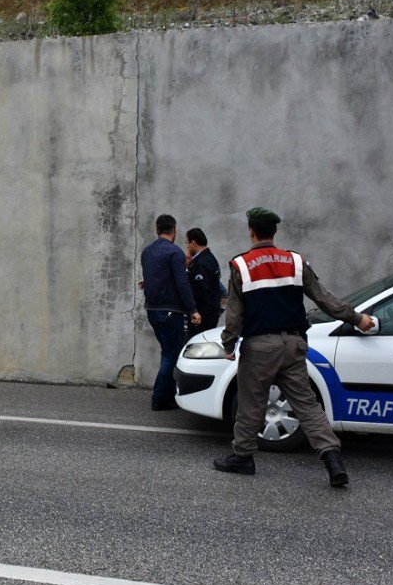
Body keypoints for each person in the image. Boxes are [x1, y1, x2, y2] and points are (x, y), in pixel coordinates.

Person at [215, 207, 375, 487]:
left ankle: (242, 457)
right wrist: (357, 318)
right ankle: (332, 459)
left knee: (252, 405)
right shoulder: (296, 261)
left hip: (259, 346)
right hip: (295, 344)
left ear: (251, 231)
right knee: (306, 405)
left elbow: (235, 313)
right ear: (274, 232)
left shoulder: (240, 265)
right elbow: (325, 299)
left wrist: (228, 342)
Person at [140, 214, 202, 411]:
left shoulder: (147, 252)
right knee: (172, 354)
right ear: (174, 230)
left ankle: (166, 395)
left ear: (158, 229)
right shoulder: (174, 253)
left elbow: (152, 278)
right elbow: (181, 283)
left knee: (167, 352)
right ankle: (159, 398)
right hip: (170, 311)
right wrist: (192, 309)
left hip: (152, 310)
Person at [185, 228, 224, 338]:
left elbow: (200, 291)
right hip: (208, 314)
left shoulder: (202, 263)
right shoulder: (209, 258)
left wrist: (192, 309)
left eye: (187, 243)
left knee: (197, 347)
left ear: (193, 243)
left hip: (202, 316)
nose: (187, 247)